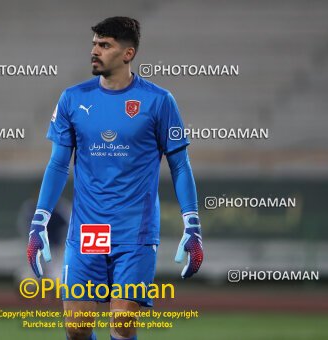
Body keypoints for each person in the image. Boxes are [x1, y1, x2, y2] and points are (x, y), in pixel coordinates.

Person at [27, 16, 203, 340]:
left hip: (134, 231)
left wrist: (192, 224)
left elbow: (180, 166)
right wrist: (40, 221)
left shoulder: (159, 101)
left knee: (122, 325)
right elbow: (57, 165)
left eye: (105, 45)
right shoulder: (72, 99)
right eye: (94, 43)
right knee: (77, 329)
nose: (95, 51)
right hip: (89, 229)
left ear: (128, 53)